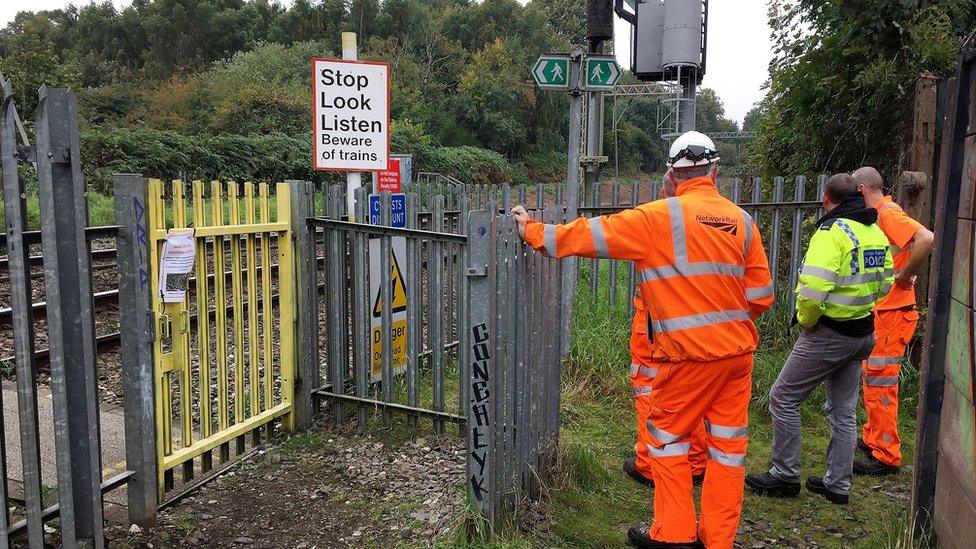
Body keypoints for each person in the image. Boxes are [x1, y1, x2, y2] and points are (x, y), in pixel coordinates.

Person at [512, 130, 774, 549]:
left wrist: (533, 231)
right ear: (716, 171)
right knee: (727, 450)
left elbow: (587, 235)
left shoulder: (657, 218)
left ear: (672, 175)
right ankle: (718, 539)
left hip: (688, 357)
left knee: (666, 442)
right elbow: (761, 297)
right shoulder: (742, 222)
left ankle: (673, 535)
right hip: (738, 355)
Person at [745, 173, 894, 505]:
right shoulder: (874, 230)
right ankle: (838, 484)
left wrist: (807, 322)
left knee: (783, 398)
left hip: (828, 333)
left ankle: (784, 474)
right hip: (863, 333)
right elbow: (886, 284)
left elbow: (811, 295)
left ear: (827, 199)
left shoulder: (831, 233)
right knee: (843, 410)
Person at [851, 167, 934, 476]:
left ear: (861, 190)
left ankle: (885, 454)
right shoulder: (881, 214)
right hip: (885, 314)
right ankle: (873, 438)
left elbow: (926, 238)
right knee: (874, 379)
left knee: (882, 383)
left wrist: (906, 276)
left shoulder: (887, 213)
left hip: (892, 314)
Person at [625, 296, 708, 488]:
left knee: (646, 383)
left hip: (656, 310)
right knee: (687, 386)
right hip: (694, 312)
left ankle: (648, 465)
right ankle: (694, 461)